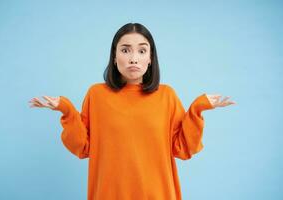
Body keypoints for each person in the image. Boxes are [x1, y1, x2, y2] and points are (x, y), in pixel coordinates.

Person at [29, 22, 236, 200]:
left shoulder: (166, 96)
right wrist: (65, 109)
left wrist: (198, 108)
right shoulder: (96, 95)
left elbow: (182, 147)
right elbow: (83, 146)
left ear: (150, 58)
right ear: (114, 55)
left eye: (142, 50)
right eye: (126, 50)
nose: (133, 58)